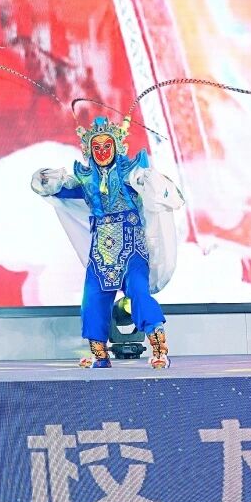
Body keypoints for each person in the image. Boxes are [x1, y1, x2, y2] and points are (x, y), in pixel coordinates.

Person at [32, 114, 184, 368]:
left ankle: (159, 349)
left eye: (106, 146)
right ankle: (99, 355)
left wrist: (148, 181)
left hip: (132, 245)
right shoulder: (85, 179)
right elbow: (61, 189)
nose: (102, 151)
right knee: (92, 299)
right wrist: (46, 181)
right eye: (97, 147)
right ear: (90, 150)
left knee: (138, 292)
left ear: (116, 147)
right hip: (101, 250)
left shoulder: (131, 173)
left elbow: (154, 188)